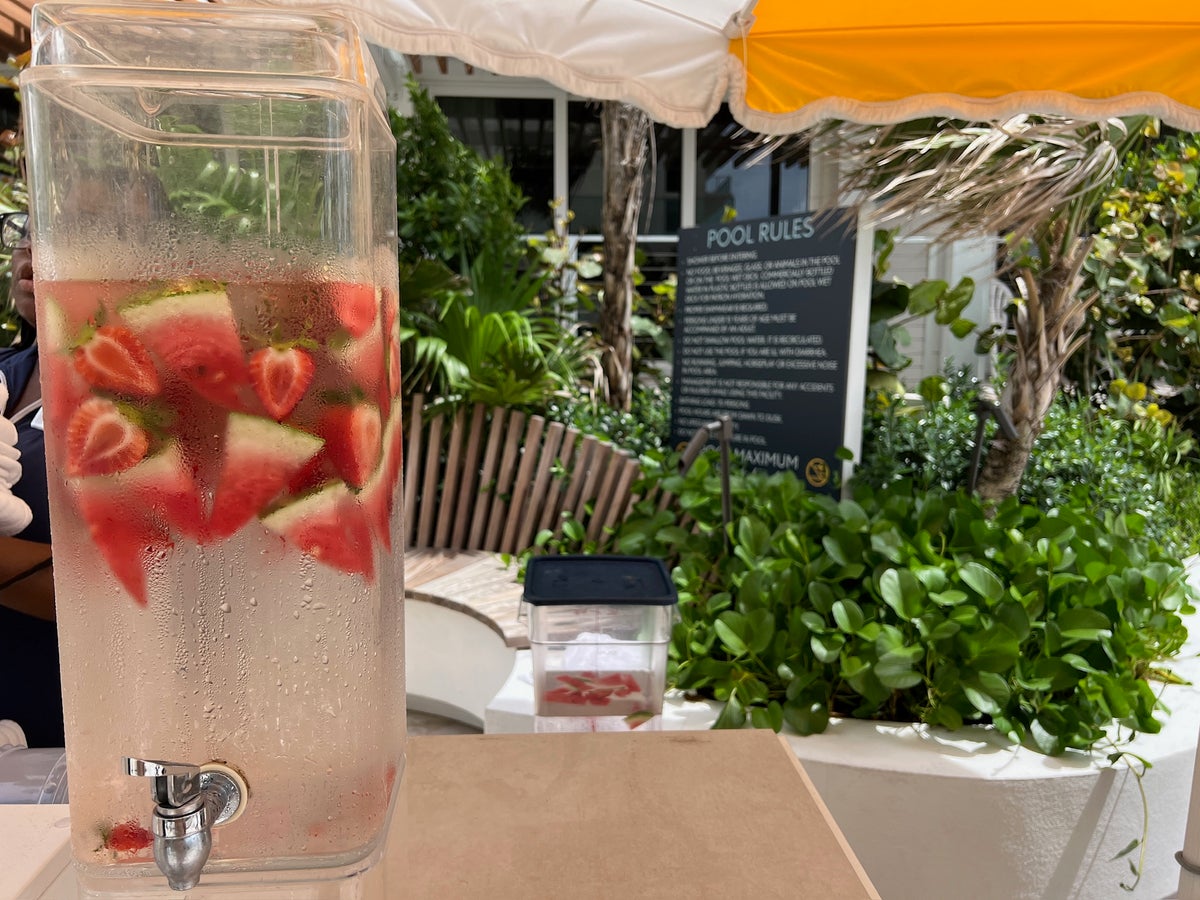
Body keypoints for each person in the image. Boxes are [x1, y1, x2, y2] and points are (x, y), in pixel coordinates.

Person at [0, 212, 63, 749]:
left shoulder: (154, 404)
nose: (31, 247)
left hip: (68, 748)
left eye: (65, 224)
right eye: (26, 231)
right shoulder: (3, 373)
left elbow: (155, 591)